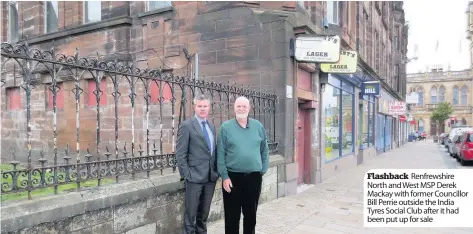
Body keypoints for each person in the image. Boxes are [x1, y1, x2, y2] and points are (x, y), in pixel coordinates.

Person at [217, 96, 269, 234]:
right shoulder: (226, 127)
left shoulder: (258, 126)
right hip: (232, 178)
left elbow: (264, 149)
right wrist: (224, 176)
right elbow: (220, 154)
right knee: (232, 217)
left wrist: (262, 169)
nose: (241, 109)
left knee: (251, 216)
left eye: (244, 106)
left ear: (249, 108)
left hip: (254, 177)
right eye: (238, 106)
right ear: (234, 108)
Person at [176, 94, 219, 234]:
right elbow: (180, 153)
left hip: (210, 178)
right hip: (194, 178)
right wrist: (186, 175)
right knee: (190, 216)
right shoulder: (187, 126)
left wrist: (216, 171)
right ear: (194, 107)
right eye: (199, 106)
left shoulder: (212, 126)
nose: (202, 109)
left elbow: (212, 151)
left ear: (209, 107)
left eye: (205, 106)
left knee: (203, 215)